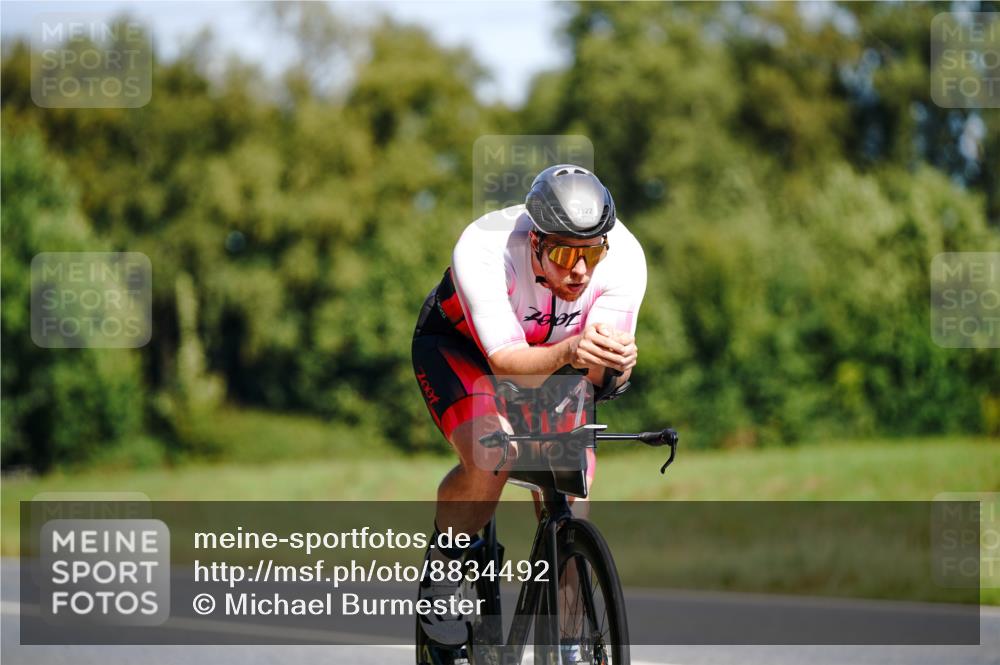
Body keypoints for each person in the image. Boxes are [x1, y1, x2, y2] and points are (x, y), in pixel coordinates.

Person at [411, 164, 647, 649]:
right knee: (491, 456)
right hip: (464, 350)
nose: (579, 271)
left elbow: (598, 373)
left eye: (592, 253)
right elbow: (506, 363)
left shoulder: (625, 257)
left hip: (553, 359)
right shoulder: (485, 246)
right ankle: (446, 567)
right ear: (535, 240)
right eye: (562, 253)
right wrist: (572, 351)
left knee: (571, 493)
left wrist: (616, 365)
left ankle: (570, 639)